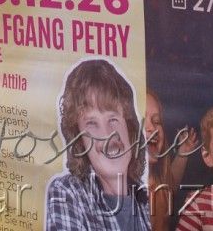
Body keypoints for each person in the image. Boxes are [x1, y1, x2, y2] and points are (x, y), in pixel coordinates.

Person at [44, 58, 150, 231]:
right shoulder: (67, 193)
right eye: (92, 123)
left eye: (113, 119)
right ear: (80, 141)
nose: (107, 134)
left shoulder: (148, 201)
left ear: (129, 128)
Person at [144, 89, 197, 231]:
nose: (151, 128)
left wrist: (183, 153)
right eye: (141, 120)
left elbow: (170, 184)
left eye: (157, 121)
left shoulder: (158, 184)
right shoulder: (120, 191)